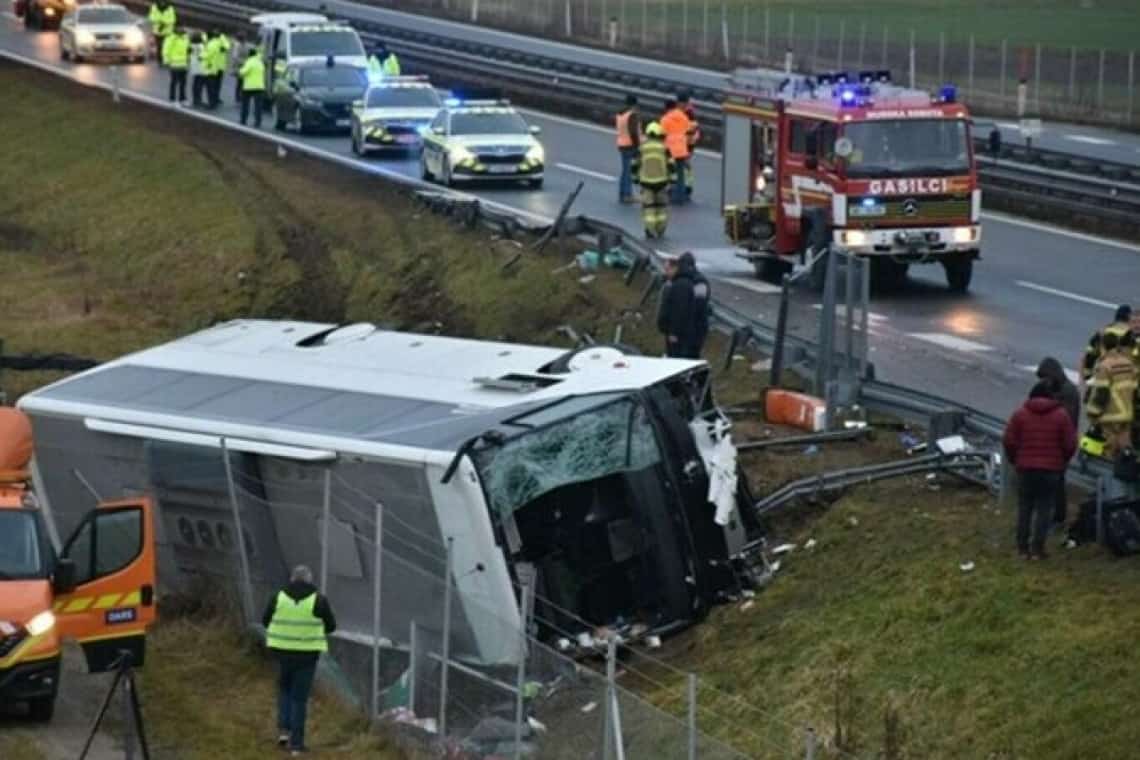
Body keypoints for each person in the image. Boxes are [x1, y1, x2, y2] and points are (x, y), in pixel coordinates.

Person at [263, 565, 337, 756]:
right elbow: (331, 626)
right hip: (306, 657)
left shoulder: (278, 597)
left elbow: (265, 621)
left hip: (281, 654)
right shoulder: (319, 601)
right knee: (299, 699)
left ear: (292, 579)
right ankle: (296, 744)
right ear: (309, 580)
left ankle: (283, 732)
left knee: (284, 690)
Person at [1003, 381, 1077, 560]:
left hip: (1025, 468)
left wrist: (1016, 459)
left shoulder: (1020, 414)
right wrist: (1061, 461)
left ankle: (1022, 549)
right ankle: (1038, 549)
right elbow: (1070, 444)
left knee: (1025, 507)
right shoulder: (1061, 415)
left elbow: (1009, 441)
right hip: (1050, 470)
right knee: (1045, 508)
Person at [1037, 357, 1080, 528]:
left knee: (1057, 480)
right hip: (1053, 441)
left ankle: (1058, 516)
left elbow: (1066, 419)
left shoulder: (1067, 391)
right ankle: (1053, 514)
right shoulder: (1057, 389)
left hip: (1061, 443)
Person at [1086, 331, 1138, 459]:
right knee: (1125, 449)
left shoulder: (1105, 366)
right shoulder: (1128, 363)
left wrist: (1093, 414)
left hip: (1110, 416)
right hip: (1127, 413)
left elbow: (1101, 394)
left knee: (1109, 450)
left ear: (1103, 346)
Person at [656, 251, 711, 359]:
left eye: (667, 270)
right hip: (689, 332)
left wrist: (674, 331)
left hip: (686, 333)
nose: (665, 273)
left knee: (682, 358)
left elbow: (681, 310)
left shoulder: (682, 284)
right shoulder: (684, 281)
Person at [631, 121, 672, 240]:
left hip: (646, 183)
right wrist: (673, 180)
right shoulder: (664, 148)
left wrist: (634, 178)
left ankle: (650, 230)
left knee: (649, 208)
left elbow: (634, 164)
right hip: (662, 182)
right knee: (661, 207)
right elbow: (671, 164)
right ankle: (660, 229)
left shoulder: (642, 148)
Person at [1079, 304, 1132, 392]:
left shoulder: (1102, 333)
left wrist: (1087, 377)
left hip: (1104, 378)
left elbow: (1089, 356)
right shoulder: (1133, 335)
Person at [659, 98, 694, 205]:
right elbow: (689, 133)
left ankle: (673, 196)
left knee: (670, 173)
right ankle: (681, 197)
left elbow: (662, 135)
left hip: (669, 149)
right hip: (682, 148)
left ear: (666, 108)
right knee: (681, 173)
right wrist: (689, 148)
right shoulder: (684, 117)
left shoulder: (664, 119)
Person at [615, 94, 640, 204]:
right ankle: (627, 195)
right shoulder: (631, 115)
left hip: (621, 143)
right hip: (629, 145)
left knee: (625, 170)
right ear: (634, 104)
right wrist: (637, 146)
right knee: (628, 172)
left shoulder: (620, 114)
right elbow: (633, 132)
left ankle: (622, 193)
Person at [678, 91, 699, 198]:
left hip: (689, 142)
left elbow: (691, 128)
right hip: (684, 141)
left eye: (681, 103)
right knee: (683, 163)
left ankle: (688, 185)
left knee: (685, 163)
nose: (679, 105)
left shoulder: (689, 113)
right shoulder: (683, 111)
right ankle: (684, 184)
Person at [239, 47, 266, 128]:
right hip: (260, 87)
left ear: (249, 54)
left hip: (249, 86)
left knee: (245, 104)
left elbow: (244, 72)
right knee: (258, 106)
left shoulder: (249, 61)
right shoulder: (260, 62)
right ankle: (258, 122)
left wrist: (240, 71)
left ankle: (243, 120)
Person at [162, 26, 190, 105]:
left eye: (182, 28)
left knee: (183, 82)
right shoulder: (171, 38)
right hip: (174, 63)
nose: (182, 29)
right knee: (174, 82)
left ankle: (182, 99)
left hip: (183, 64)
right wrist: (166, 61)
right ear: (175, 28)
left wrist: (189, 59)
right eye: (180, 27)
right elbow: (166, 49)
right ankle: (172, 99)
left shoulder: (185, 37)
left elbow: (187, 48)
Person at [149, 1, 176, 66]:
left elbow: (173, 19)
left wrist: (164, 23)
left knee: (167, 47)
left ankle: (167, 61)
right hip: (157, 31)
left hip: (167, 32)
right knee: (159, 47)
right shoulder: (154, 7)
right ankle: (160, 61)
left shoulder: (170, 8)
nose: (162, 2)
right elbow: (151, 17)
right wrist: (160, 21)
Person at [189, 32, 208, 108]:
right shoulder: (201, 46)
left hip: (194, 67)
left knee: (196, 84)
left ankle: (195, 100)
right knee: (199, 85)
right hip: (201, 68)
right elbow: (203, 56)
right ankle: (197, 101)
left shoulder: (191, 45)